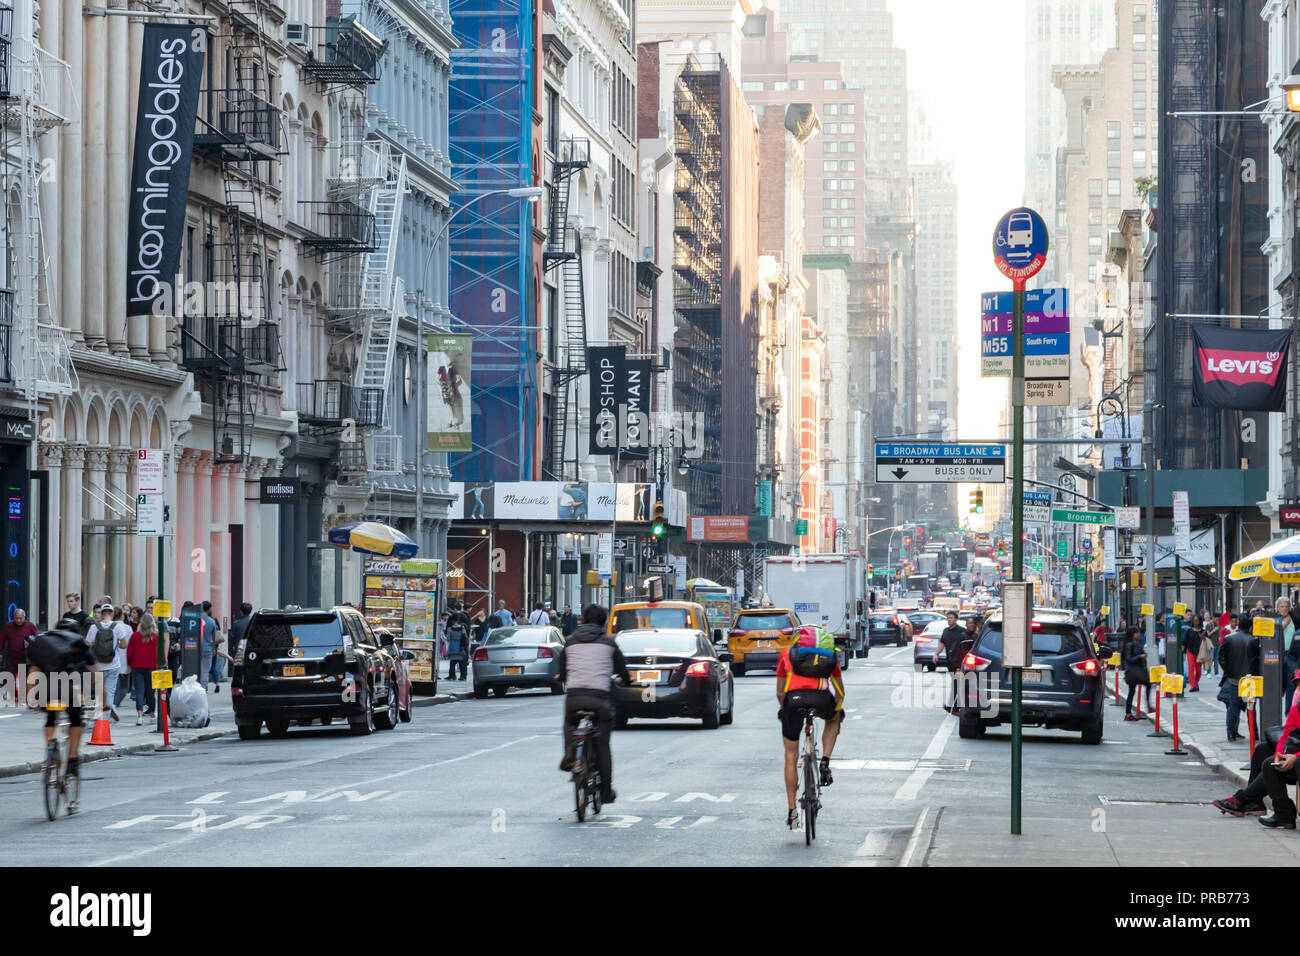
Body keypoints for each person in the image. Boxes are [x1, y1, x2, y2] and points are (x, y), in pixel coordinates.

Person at [557, 604, 631, 805]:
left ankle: (571, 752)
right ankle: (606, 793)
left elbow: (562, 672)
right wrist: (627, 680)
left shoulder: (570, 642)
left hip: (575, 698)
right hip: (599, 699)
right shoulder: (609, 643)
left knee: (569, 723)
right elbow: (622, 670)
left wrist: (564, 677)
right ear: (604, 622)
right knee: (602, 745)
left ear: (582, 619)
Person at [776, 624, 846, 830]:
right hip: (822, 700)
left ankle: (792, 812)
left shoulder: (787, 654)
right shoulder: (827, 655)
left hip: (793, 702)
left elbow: (780, 693)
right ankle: (824, 760)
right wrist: (838, 709)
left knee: (790, 756)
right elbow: (840, 691)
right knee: (834, 718)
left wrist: (784, 709)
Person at [29, 617, 99, 808]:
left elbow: (33, 672)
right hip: (72, 693)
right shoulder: (79, 645)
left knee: (50, 716)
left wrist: (30, 698)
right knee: (76, 719)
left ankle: (49, 754)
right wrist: (104, 702)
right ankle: (73, 758)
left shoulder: (46, 643)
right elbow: (95, 673)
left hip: (47, 692)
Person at [1213, 684, 1300, 826]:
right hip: (1295, 750)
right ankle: (1267, 807)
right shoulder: (1297, 707)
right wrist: (1280, 754)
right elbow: (1286, 735)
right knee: (1266, 756)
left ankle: (1244, 799)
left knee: (1295, 763)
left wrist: (1295, 756)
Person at [1219, 613, 1256, 742]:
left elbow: (1221, 657)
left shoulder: (1229, 638)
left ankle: (1231, 732)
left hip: (1233, 677)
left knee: (1233, 706)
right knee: (1251, 706)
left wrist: (1228, 670)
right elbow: (1255, 660)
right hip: (1250, 678)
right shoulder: (1253, 640)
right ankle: (1254, 732)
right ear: (1250, 627)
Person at [89, 604, 124, 721]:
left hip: (98, 665)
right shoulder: (118, 627)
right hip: (113, 664)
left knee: (99, 691)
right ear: (112, 614)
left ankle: (98, 716)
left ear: (102, 613)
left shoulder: (94, 627)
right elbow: (124, 645)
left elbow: (88, 645)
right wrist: (116, 644)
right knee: (109, 691)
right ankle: (106, 717)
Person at [127, 614, 161, 724]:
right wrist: (162, 664)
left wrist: (130, 663)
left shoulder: (135, 636)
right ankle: (152, 715)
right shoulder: (156, 636)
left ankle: (140, 716)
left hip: (137, 666)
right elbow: (159, 654)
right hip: (151, 667)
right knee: (151, 693)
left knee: (139, 692)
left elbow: (129, 652)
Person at [1, 608, 35, 703]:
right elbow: (2, 640)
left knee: (22, 677)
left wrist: (30, 643)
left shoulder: (30, 626)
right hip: (11, 657)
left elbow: (37, 639)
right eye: (16, 618)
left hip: (23, 657)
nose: (18, 620)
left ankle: (21, 696)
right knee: (10, 676)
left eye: (20, 618)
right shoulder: (9, 626)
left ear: (24, 617)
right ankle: (12, 695)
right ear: (13, 618)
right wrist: (0, 653)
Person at [934, 611, 965, 708]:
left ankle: (955, 705)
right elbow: (942, 643)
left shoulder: (961, 631)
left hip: (959, 662)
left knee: (957, 683)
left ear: (956, 619)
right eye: (948, 618)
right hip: (950, 661)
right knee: (954, 682)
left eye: (951, 618)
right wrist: (936, 654)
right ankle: (955, 705)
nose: (949, 620)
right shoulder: (946, 631)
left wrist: (962, 664)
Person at [1120, 625, 1150, 720]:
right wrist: (1140, 656)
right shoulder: (1129, 645)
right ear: (1133, 634)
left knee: (1147, 685)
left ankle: (1147, 706)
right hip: (1133, 672)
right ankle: (1128, 713)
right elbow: (1129, 659)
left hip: (1138, 670)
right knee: (1131, 692)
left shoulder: (1136, 643)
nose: (1138, 634)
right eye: (1137, 632)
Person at [1277, 597, 1300, 712]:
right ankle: (1274, 714)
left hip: (1291, 656)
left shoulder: (1295, 620)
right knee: (1276, 685)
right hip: (1276, 655)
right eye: (1282, 606)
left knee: (1291, 685)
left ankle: (1289, 713)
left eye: (1286, 606)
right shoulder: (1273, 620)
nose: (1284, 608)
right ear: (1277, 608)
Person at [444, 613, 469, 681]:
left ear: (452, 621)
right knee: (462, 663)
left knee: (452, 662)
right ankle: (463, 676)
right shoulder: (462, 628)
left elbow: (448, 638)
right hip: (460, 646)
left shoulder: (449, 629)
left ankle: (452, 676)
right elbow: (465, 636)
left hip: (453, 646)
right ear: (458, 620)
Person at [1184, 615, 1205, 692]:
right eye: (1194, 620)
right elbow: (1185, 641)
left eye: (1197, 620)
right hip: (1190, 651)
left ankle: (1196, 683)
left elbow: (1207, 643)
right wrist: (1183, 648)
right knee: (1191, 668)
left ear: (1200, 621)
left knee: (1199, 671)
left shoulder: (1203, 631)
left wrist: (1203, 637)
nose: (1195, 622)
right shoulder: (1189, 631)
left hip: (1199, 653)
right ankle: (1192, 685)